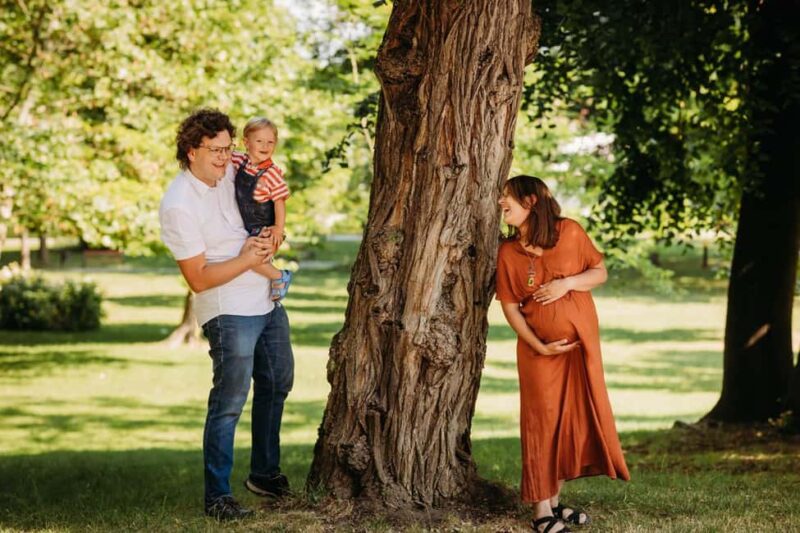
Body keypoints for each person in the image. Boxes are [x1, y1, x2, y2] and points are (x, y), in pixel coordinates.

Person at [159, 108, 294, 521]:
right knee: (230, 401)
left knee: (277, 381)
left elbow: (265, 200)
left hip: (265, 297)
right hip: (227, 309)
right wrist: (245, 258)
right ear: (190, 150)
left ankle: (264, 474)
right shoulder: (178, 205)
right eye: (214, 150)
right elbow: (198, 278)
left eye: (227, 148)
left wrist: (275, 232)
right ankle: (217, 496)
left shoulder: (230, 173)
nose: (223, 157)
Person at [495, 175, 630, 533]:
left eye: (507, 197)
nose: (500, 204)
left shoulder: (569, 232)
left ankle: (554, 503)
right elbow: (509, 307)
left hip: (580, 348)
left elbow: (599, 272)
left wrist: (566, 283)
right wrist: (538, 344)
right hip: (539, 353)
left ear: (532, 202)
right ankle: (541, 513)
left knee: (571, 420)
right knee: (542, 421)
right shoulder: (508, 252)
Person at [229, 117, 292, 300]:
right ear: (246, 143)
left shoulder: (272, 174)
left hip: (265, 228)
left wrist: (279, 229)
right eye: (259, 141)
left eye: (270, 142)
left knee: (249, 257)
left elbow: (280, 202)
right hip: (249, 225)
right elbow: (224, 154)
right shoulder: (240, 160)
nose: (265, 146)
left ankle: (280, 277)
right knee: (249, 257)